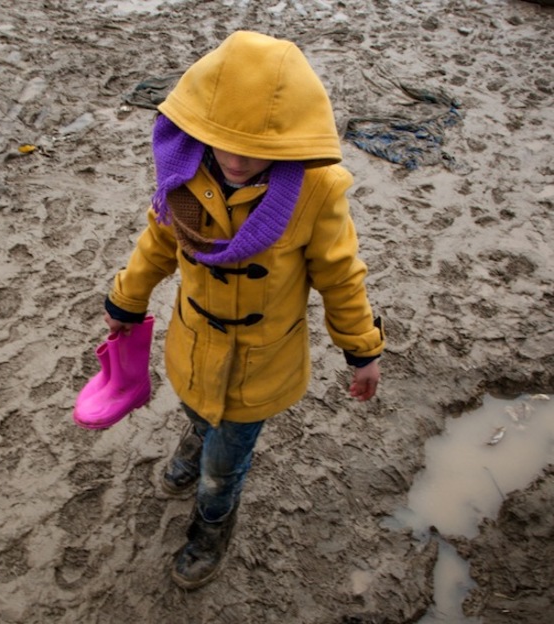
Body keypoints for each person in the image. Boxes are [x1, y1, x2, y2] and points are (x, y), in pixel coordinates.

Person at [102, 31, 385, 590]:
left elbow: (340, 275)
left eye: (257, 147)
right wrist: (126, 302)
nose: (235, 158)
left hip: (260, 362)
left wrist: (362, 351)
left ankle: (210, 532)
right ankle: (193, 435)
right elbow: (157, 243)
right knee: (193, 407)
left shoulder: (316, 190)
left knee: (220, 471)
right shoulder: (184, 171)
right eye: (224, 141)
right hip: (194, 341)